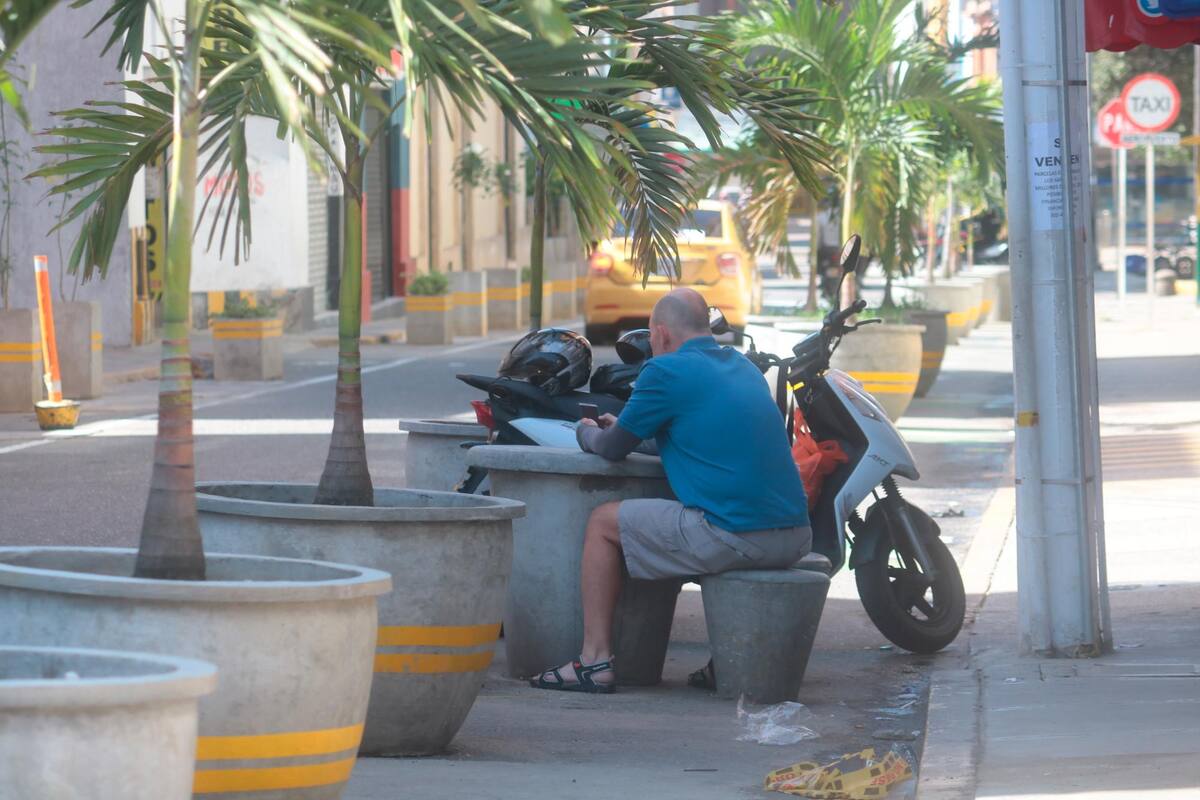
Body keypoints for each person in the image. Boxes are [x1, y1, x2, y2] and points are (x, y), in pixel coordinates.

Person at [529, 287, 812, 693]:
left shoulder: (664, 372)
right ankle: (728, 662)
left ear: (660, 334)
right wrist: (629, 427)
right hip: (796, 534)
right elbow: (701, 431)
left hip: (736, 534)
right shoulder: (743, 366)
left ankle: (593, 660)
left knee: (604, 523)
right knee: (665, 522)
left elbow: (611, 449)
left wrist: (583, 431)